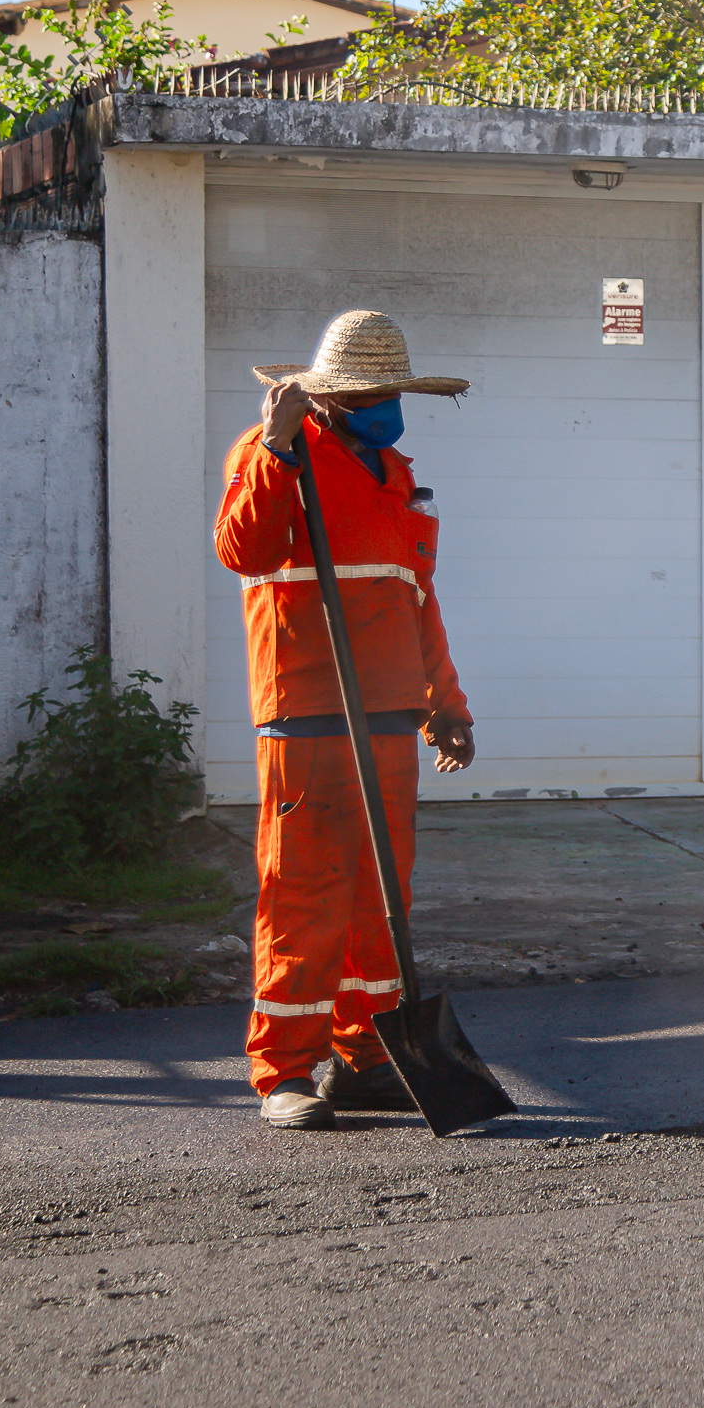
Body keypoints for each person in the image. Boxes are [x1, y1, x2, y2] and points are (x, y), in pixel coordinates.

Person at [213, 310, 477, 1128]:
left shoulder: (393, 474)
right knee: (303, 897)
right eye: (367, 391)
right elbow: (242, 550)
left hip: (389, 720)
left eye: (389, 390)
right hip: (307, 712)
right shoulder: (277, 454)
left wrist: (448, 707)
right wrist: (274, 449)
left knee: (378, 900)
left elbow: (415, 599)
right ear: (327, 396)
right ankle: (282, 1073)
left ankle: (364, 1061)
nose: (383, 403)